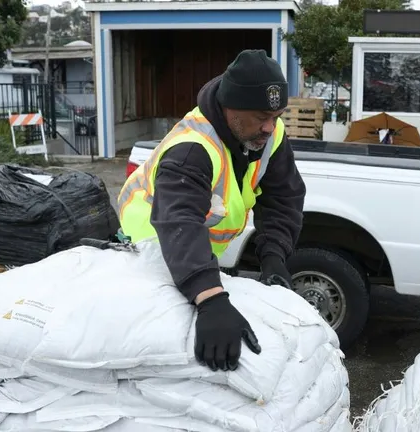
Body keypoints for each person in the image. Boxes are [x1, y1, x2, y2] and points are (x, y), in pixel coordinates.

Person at [117, 49, 306, 372]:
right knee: (152, 355)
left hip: (195, 257)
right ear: (231, 107)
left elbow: (282, 197)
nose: (270, 128)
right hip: (149, 254)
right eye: (262, 117)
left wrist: (273, 256)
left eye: (276, 117)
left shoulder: (268, 137)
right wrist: (209, 297)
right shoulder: (193, 148)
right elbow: (180, 221)